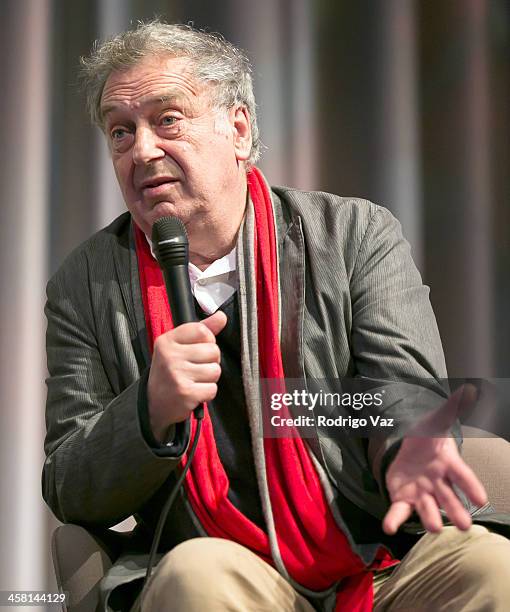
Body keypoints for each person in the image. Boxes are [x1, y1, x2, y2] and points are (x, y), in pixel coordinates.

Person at [43, 20, 510, 612]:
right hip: (221, 567)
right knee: (197, 574)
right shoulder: (83, 286)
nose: (142, 149)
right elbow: (68, 483)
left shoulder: (353, 235)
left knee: (492, 565)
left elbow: (401, 390)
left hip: (374, 558)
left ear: (237, 129)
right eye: (120, 132)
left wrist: (410, 441)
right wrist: (147, 411)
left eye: (167, 119)